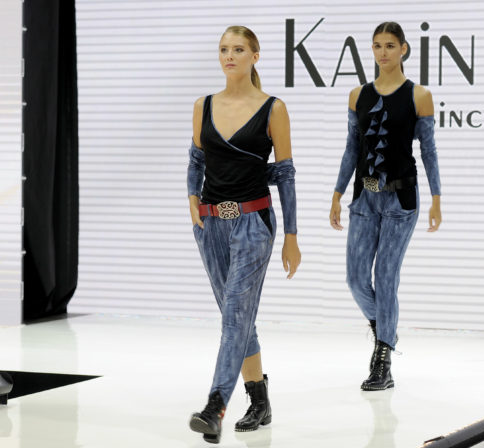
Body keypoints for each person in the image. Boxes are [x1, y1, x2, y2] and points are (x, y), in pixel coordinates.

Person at [186, 25, 301, 444]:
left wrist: (291, 235)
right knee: (237, 318)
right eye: (223, 49)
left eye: (238, 49)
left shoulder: (273, 108)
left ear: (255, 56)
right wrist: (192, 199)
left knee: (235, 314)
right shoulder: (203, 105)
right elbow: (197, 159)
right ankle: (259, 399)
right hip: (210, 224)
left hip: (254, 224)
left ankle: (215, 406)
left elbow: (284, 174)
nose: (229, 56)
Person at [329, 22, 442, 391]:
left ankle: (383, 360)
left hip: (401, 200)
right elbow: (352, 148)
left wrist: (437, 198)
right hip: (364, 198)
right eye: (377, 45)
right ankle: (385, 328)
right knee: (355, 279)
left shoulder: (419, 95)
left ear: (404, 49)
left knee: (387, 277)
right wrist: (337, 192)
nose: (383, 52)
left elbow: (428, 151)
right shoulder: (357, 95)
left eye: (390, 45)